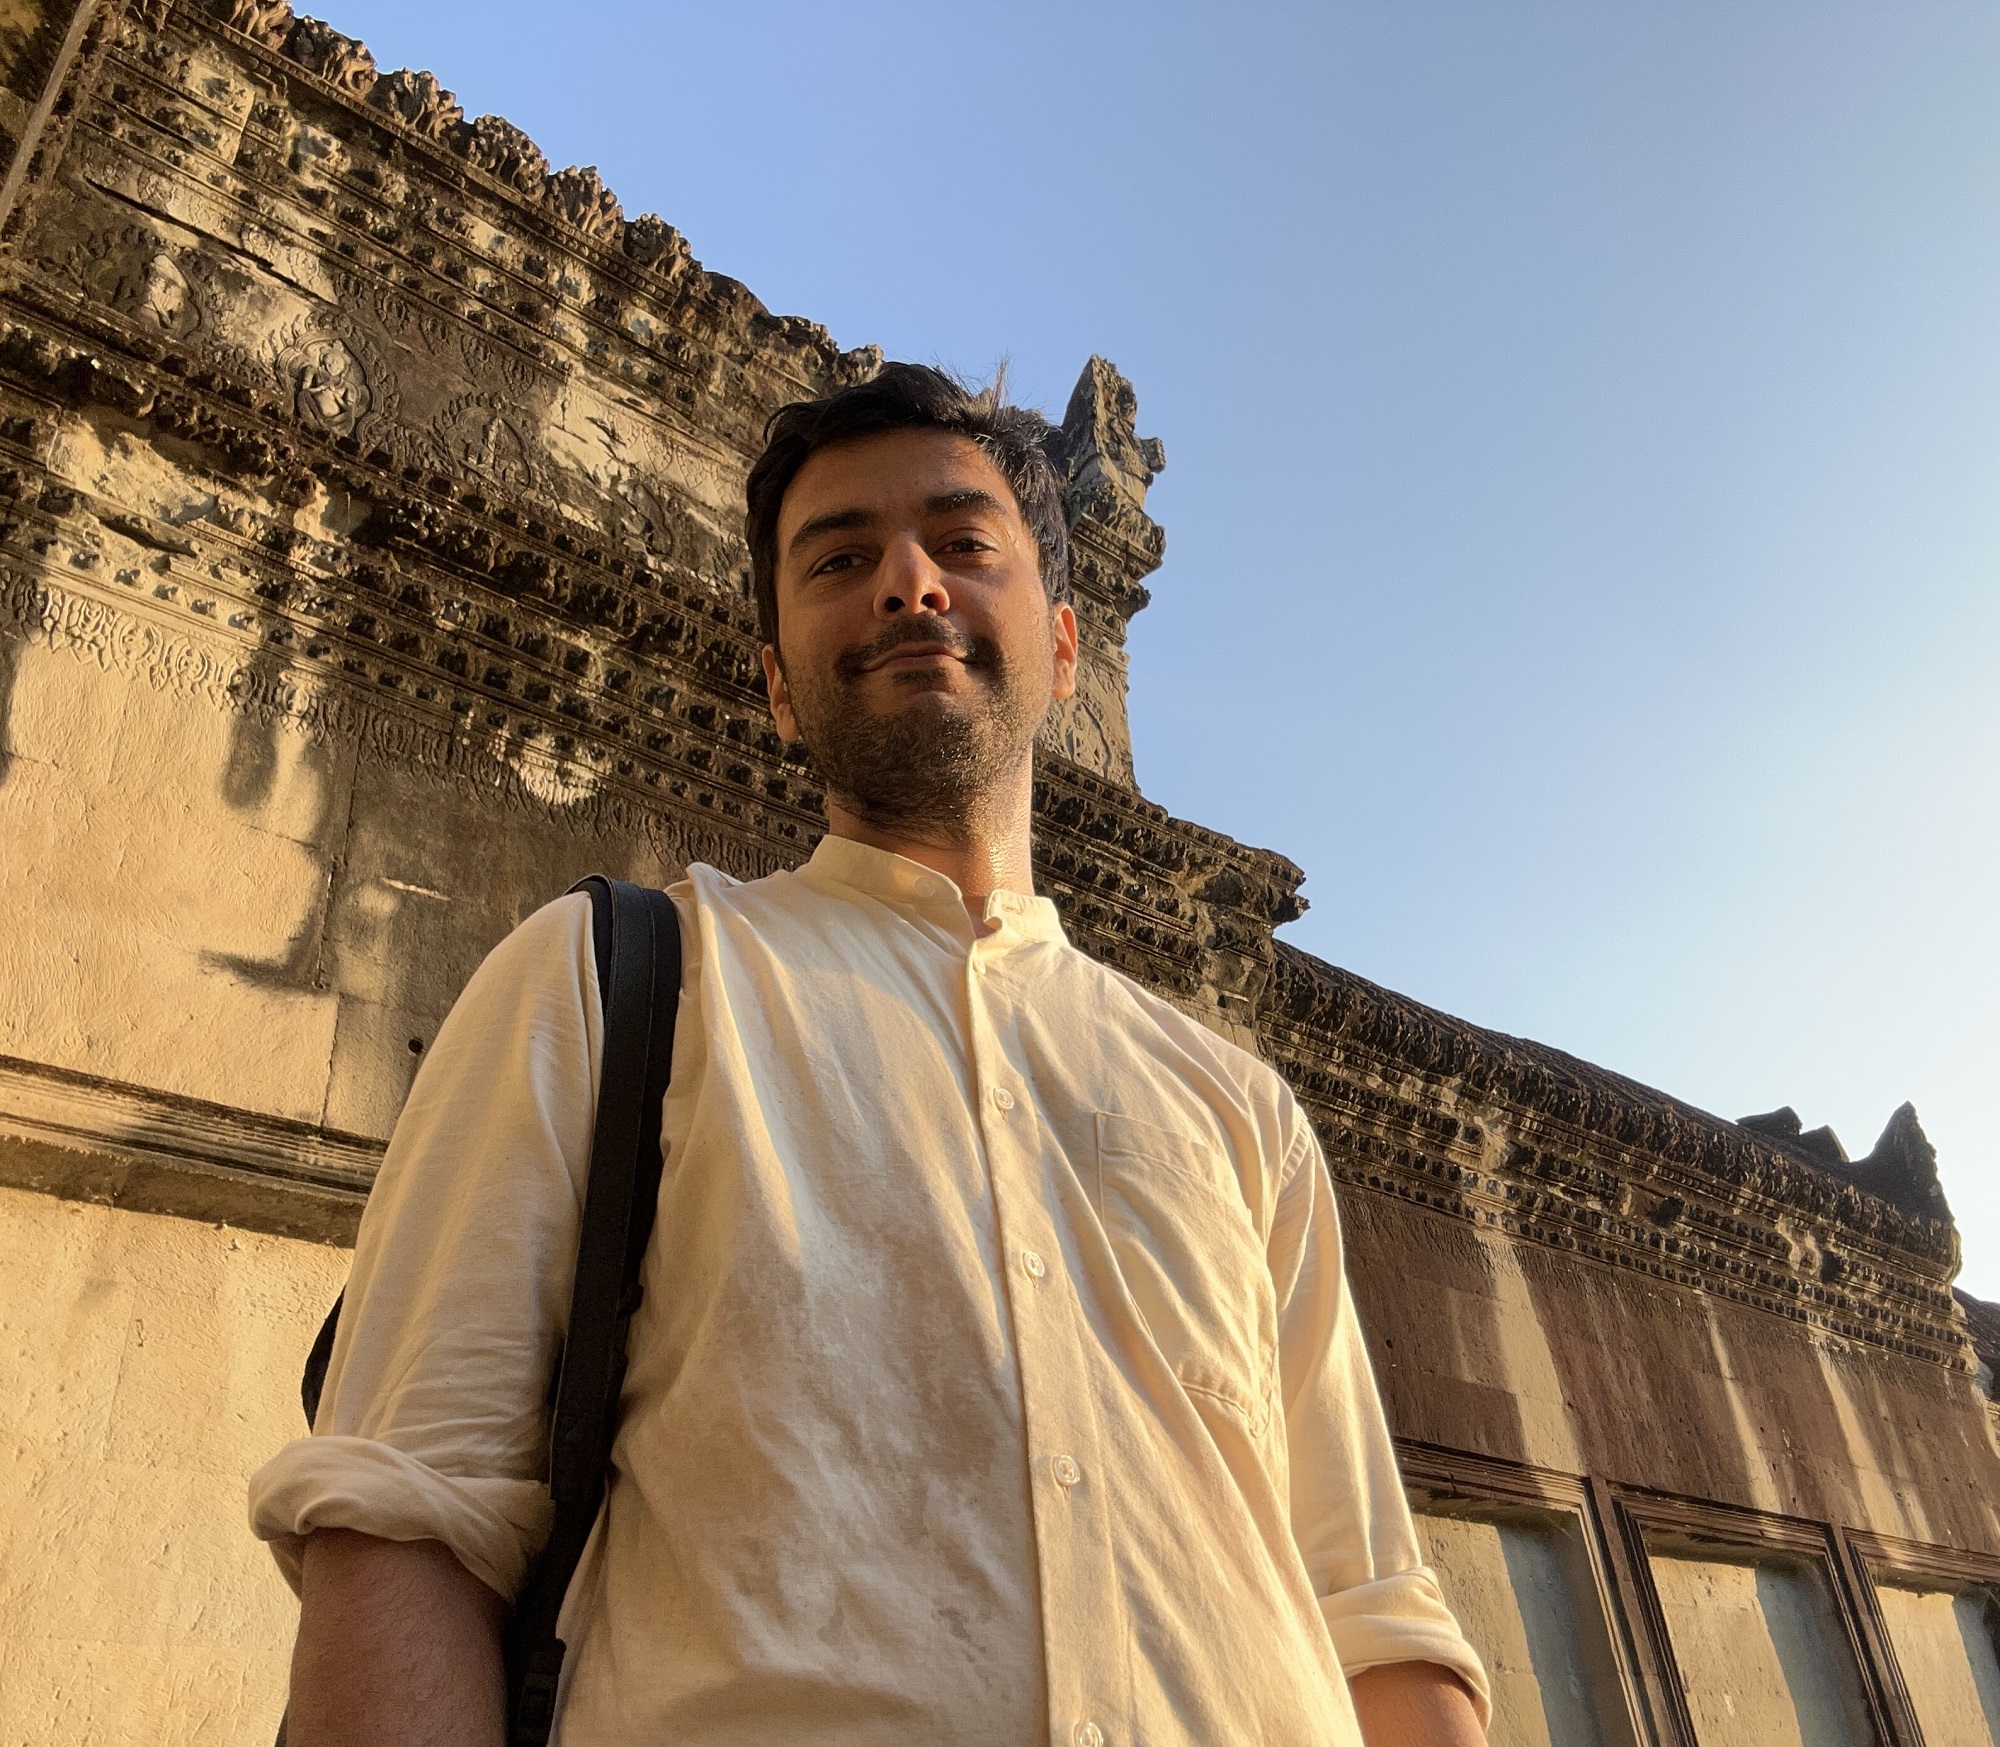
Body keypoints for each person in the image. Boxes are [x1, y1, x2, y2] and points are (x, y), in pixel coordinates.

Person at [250, 364, 1492, 1747]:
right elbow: (407, 1520)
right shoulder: (613, 982)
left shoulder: (1235, 1105)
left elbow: (1376, 1619)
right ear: (778, 686)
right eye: (841, 559)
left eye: (964, 543)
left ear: (1066, 650)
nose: (910, 584)